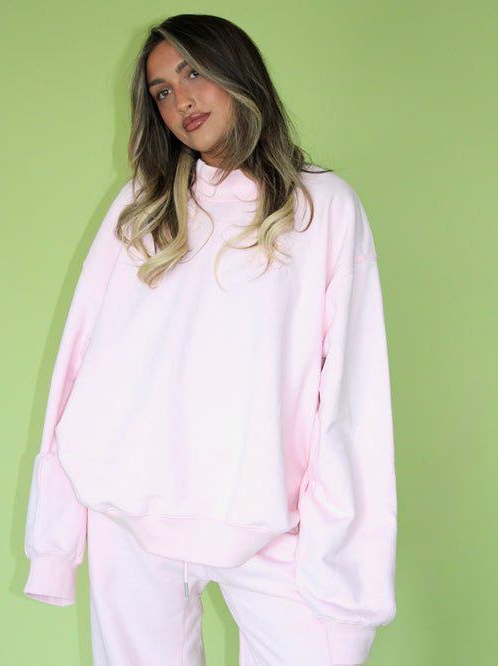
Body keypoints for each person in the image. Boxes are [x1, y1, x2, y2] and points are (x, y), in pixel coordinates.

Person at [23, 13, 397, 666]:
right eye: (162, 91)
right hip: (129, 516)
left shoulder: (321, 206)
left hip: (267, 519)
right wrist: (54, 543)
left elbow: (351, 394)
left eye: (193, 72)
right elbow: (80, 358)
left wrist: (344, 563)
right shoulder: (142, 207)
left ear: (237, 72)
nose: (181, 101)